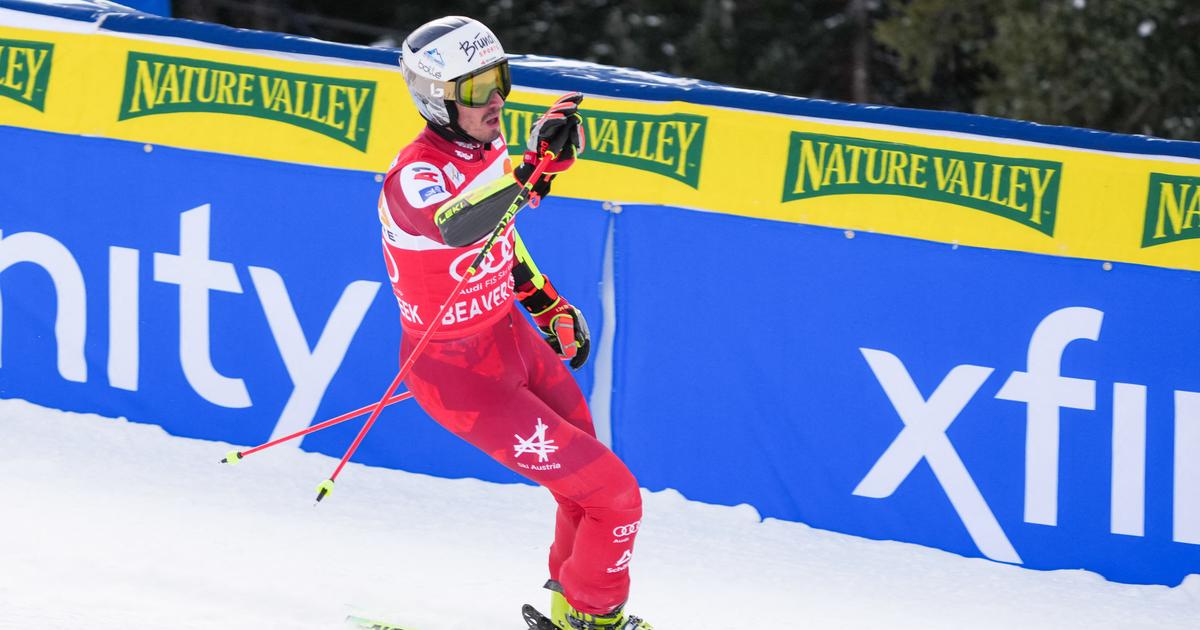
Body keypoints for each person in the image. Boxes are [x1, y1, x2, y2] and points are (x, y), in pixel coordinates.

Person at [379, 15, 653, 630]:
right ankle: (594, 619)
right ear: (435, 98)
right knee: (616, 496)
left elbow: (503, 236)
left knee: (588, 484)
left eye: (499, 80)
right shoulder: (413, 177)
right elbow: (460, 224)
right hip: (458, 376)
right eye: (476, 89)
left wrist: (545, 304)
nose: (496, 100)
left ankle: (570, 612)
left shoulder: (487, 150)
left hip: (508, 341)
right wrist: (534, 167)